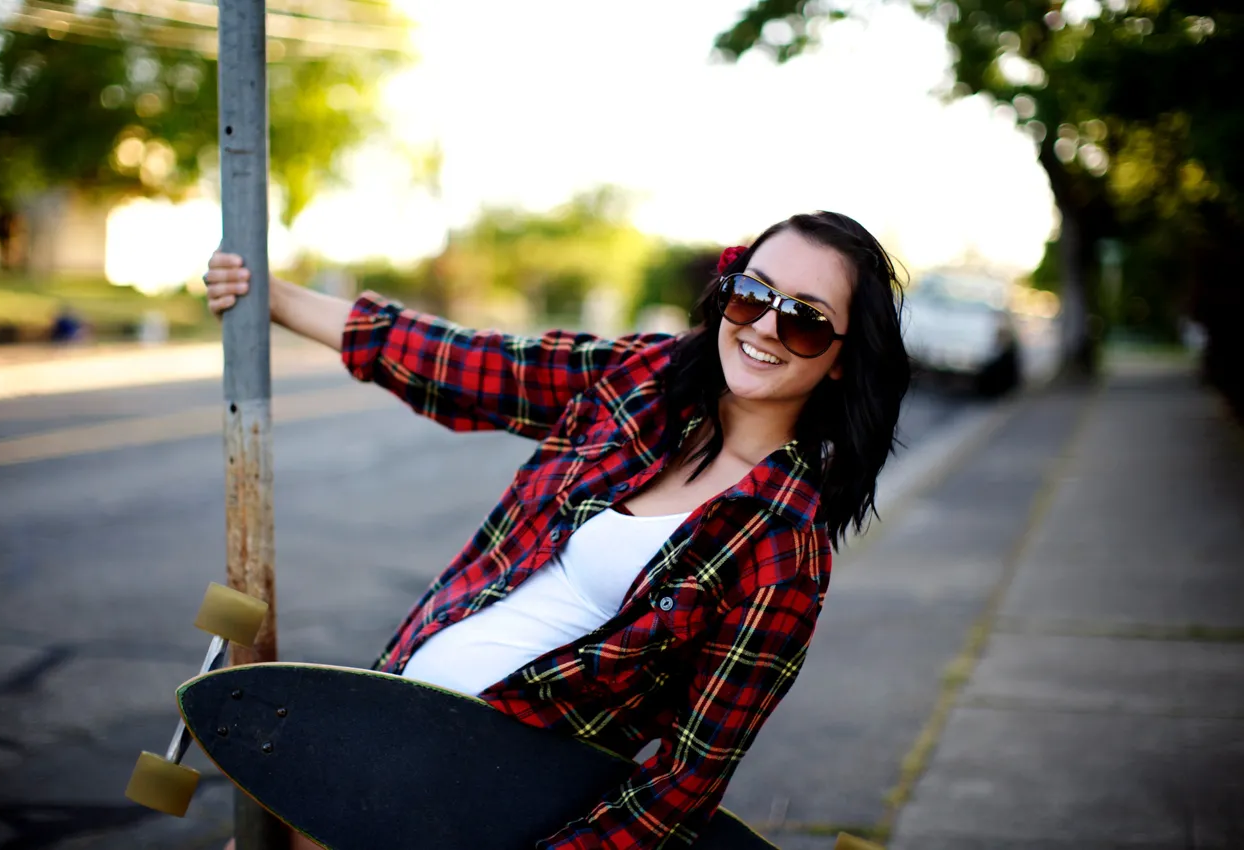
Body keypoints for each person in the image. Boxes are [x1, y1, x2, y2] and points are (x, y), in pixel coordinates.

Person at [205, 211, 911, 849]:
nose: (761, 327)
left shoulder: (783, 550)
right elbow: (469, 363)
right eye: (752, 295)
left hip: (480, 818)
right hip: (378, 735)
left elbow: (682, 786)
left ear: (844, 357)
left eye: (805, 320)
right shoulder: (642, 382)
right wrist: (275, 298)